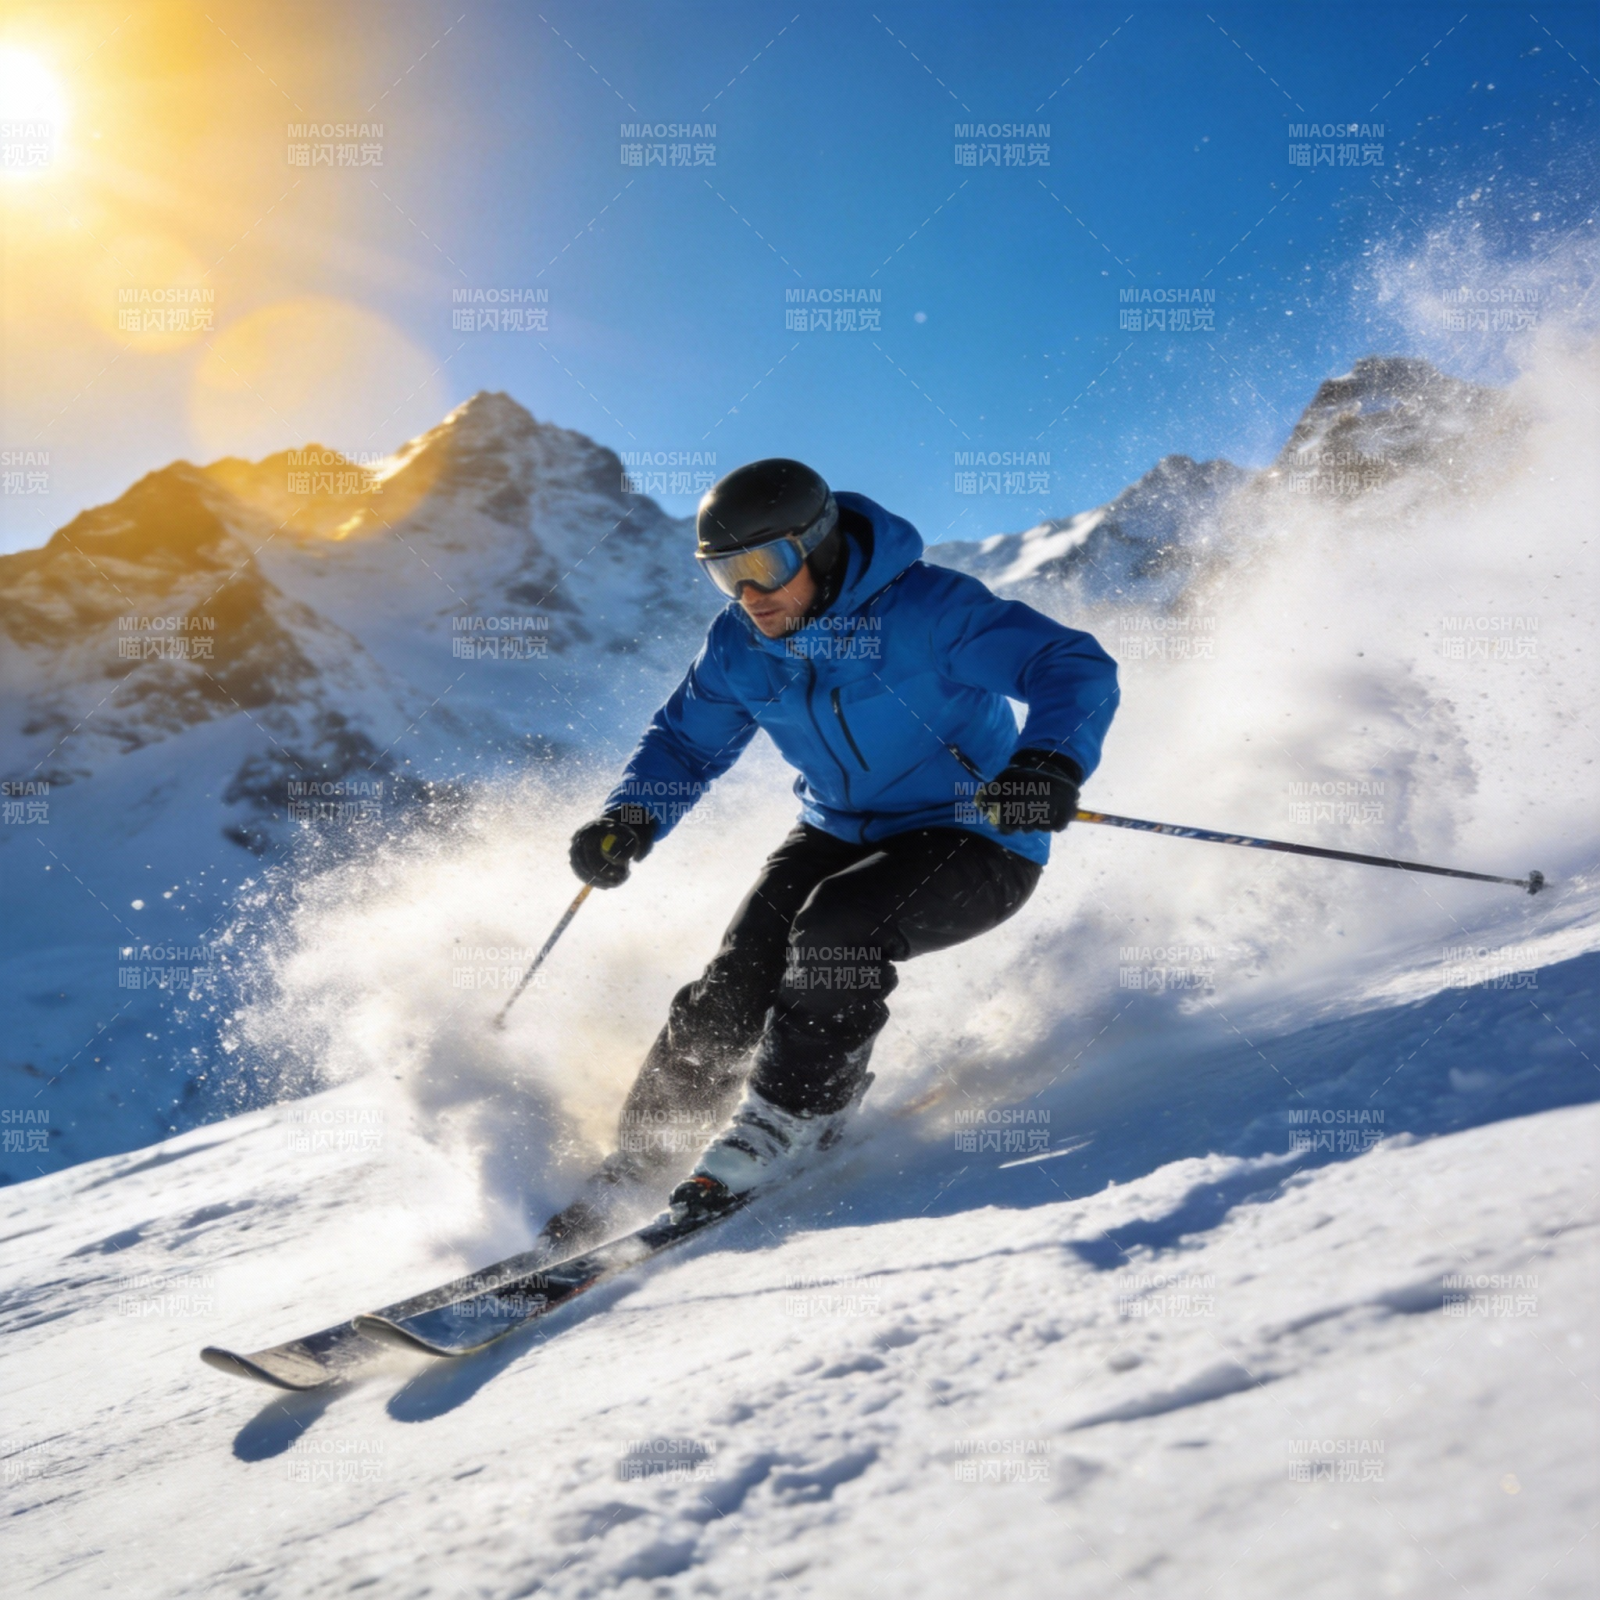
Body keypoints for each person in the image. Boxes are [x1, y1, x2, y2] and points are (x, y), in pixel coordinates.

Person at [546, 458, 1118, 1249]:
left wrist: (1045, 763)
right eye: (724, 574)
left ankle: (795, 1117)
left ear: (817, 547)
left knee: (835, 935)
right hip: (839, 825)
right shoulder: (742, 645)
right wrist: (632, 818)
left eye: (764, 566)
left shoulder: (928, 610)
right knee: (739, 973)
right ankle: (645, 1158)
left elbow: (1070, 665)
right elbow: (684, 744)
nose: (750, 594)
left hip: (978, 831)